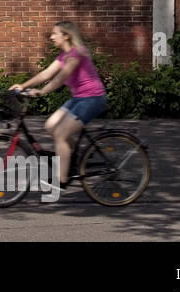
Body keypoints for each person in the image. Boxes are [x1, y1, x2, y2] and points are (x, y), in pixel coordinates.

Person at [9, 20, 108, 188]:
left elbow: (62, 77)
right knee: (50, 125)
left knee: (61, 134)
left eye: (55, 33)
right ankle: (71, 159)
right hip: (79, 98)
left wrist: (41, 92)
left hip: (93, 99)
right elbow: (47, 73)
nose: (52, 37)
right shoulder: (63, 56)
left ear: (66, 36)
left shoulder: (77, 53)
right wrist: (23, 86)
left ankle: (61, 179)